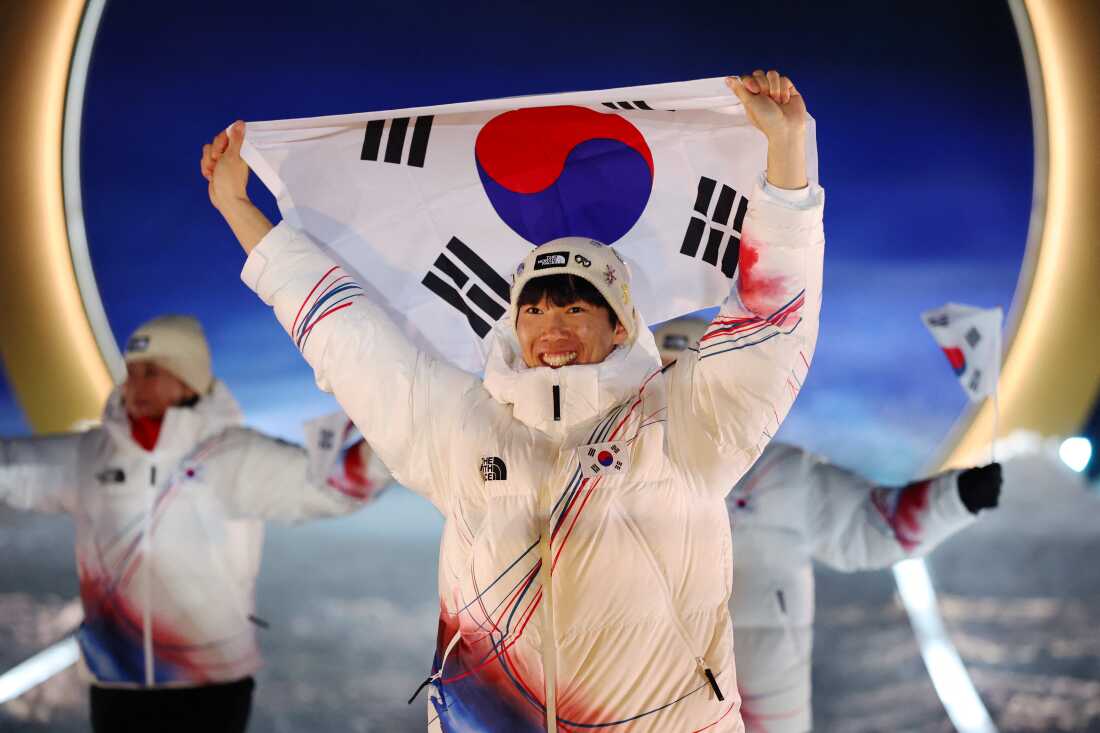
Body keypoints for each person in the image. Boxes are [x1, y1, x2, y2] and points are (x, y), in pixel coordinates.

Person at [202, 70, 824, 732]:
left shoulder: (682, 422)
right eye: (534, 307)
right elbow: (350, 339)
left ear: (619, 324)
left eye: (576, 306)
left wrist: (786, 159)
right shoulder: (465, 429)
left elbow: (768, 325)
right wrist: (241, 211)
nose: (551, 325)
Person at [0, 315, 391, 733]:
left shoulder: (230, 456)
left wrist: (397, 434)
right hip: (116, 681)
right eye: (131, 373)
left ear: (188, 381)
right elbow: (13, 468)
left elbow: (330, 487)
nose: (136, 385)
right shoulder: (94, 454)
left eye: (152, 373)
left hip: (209, 685)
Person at [654, 316, 1002, 733]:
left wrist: (959, 495)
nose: (679, 395)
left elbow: (870, 525)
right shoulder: (609, 481)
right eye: (665, 377)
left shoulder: (777, 473)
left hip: (766, 706)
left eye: (694, 379)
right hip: (651, 702)